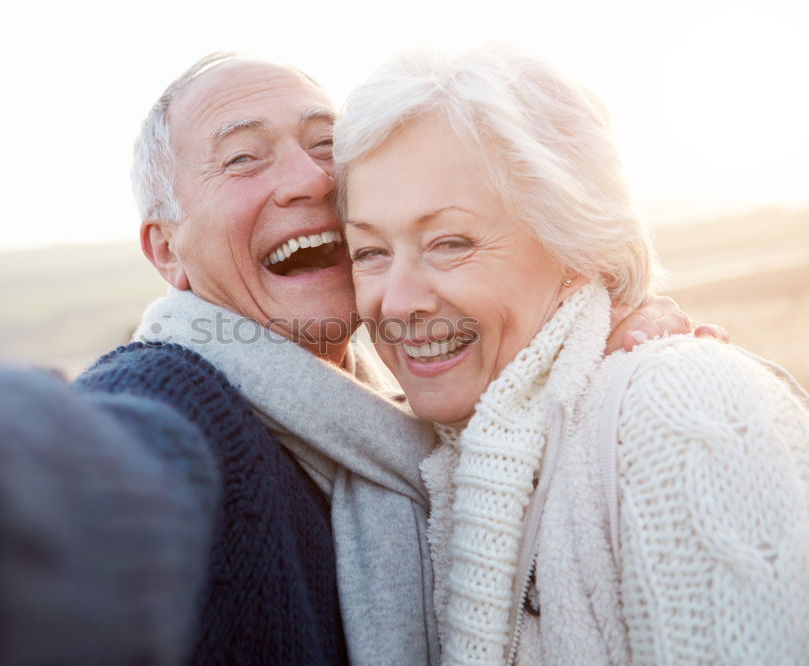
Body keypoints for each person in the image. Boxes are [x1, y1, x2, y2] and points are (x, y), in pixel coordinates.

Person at [0, 52, 722, 666]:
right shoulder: (179, 401)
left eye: (328, 147)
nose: (307, 179)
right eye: (243, 159)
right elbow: (97, 482)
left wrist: (587, 341)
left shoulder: (398, 428)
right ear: (167, 252)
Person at [335, 46, 809, 664]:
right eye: (369, 252)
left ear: (577, 245)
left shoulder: (679, 409)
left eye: (450, 243)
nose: (396, 303)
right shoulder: (427, 462)